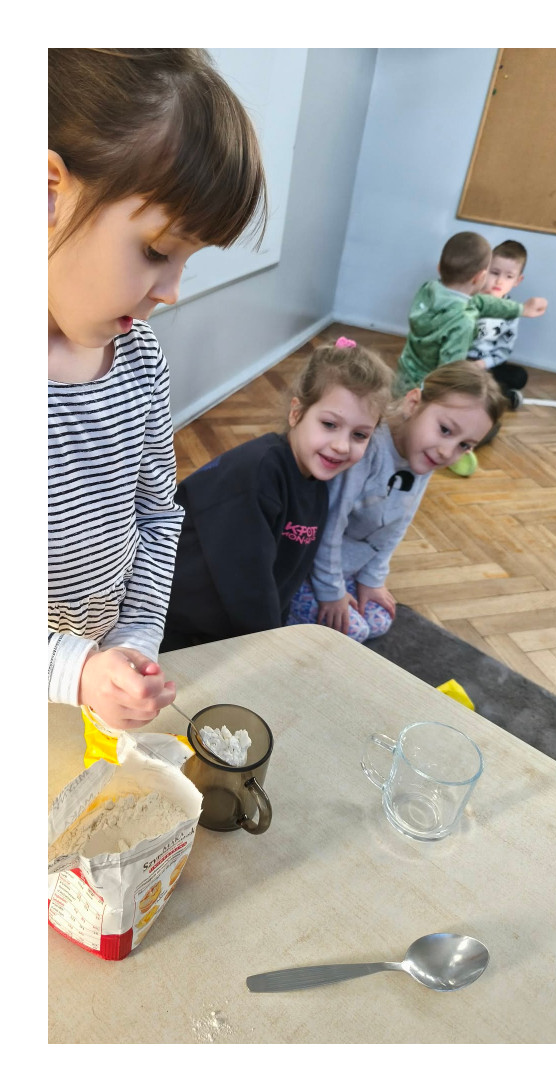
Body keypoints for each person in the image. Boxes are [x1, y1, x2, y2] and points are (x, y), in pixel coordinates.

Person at [48, 48, 266, 737]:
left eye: (186, 262)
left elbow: (156, 514)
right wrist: (72, 671)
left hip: (93, 677)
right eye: (155, 250)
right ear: (47, 194)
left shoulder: (140, 359)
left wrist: (135, 638)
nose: (171, 292)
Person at [161, 340, 393, 651]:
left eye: (359, 435)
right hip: (175, 625)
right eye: (329, 424)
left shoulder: (316, 482)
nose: (341, 445)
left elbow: (283, 575)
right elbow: (247, 581)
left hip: (227, 628)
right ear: (296, 413)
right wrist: (272, 645)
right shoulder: (258, 473)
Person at [289, 361, 505, 642]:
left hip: (347, 567)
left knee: (379, 621)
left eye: (464, 445)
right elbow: (327, 527)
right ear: (413, 403)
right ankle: (284, 618)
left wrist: (372, 579)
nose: (446, 452)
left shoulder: (425, 455)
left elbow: (398, 524)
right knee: (353, 632)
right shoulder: (368, 449)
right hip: (307, 569)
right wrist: (331, 593)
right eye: (445, 430)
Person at [468, 239, 535, 411]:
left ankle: (497, 395)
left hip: (487, 366)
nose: (499, 281)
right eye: (494, 273)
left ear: (517, 280)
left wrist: (483, 364)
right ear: (485, 270)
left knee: (519, 376)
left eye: (508, 276)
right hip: (461, 359)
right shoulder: (472, 299)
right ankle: (490, 395)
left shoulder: (513, 311)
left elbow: (504, 349)